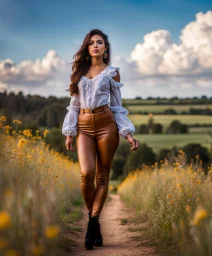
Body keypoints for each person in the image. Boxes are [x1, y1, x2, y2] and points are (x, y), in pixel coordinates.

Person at [62, 29, 139, 250]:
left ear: (105, 49)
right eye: (92, 43)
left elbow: (117, 106)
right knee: (86, 174)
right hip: (84, 125)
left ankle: (92, 224)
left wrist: (128, 133)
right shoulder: (78, 73)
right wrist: (69, 132)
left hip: (107, 125)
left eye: (100, 42)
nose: (95, 45)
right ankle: (94, 221)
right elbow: (74, 105)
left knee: (102, 178)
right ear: (87, 48)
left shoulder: (113, 73)